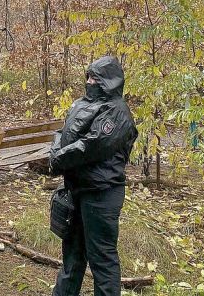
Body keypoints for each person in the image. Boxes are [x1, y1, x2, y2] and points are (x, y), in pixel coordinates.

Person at [49, 56, 138, 296]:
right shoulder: (81, 103)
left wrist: (59, 158)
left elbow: (93, 145)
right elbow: (63, 131)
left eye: (95, 78)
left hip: (101, 193)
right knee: (72, 253)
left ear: (109, 81)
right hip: (76, 189)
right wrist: (55, 149)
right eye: (88, 76)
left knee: (102, 258)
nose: (89, 81)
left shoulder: (118, 112)